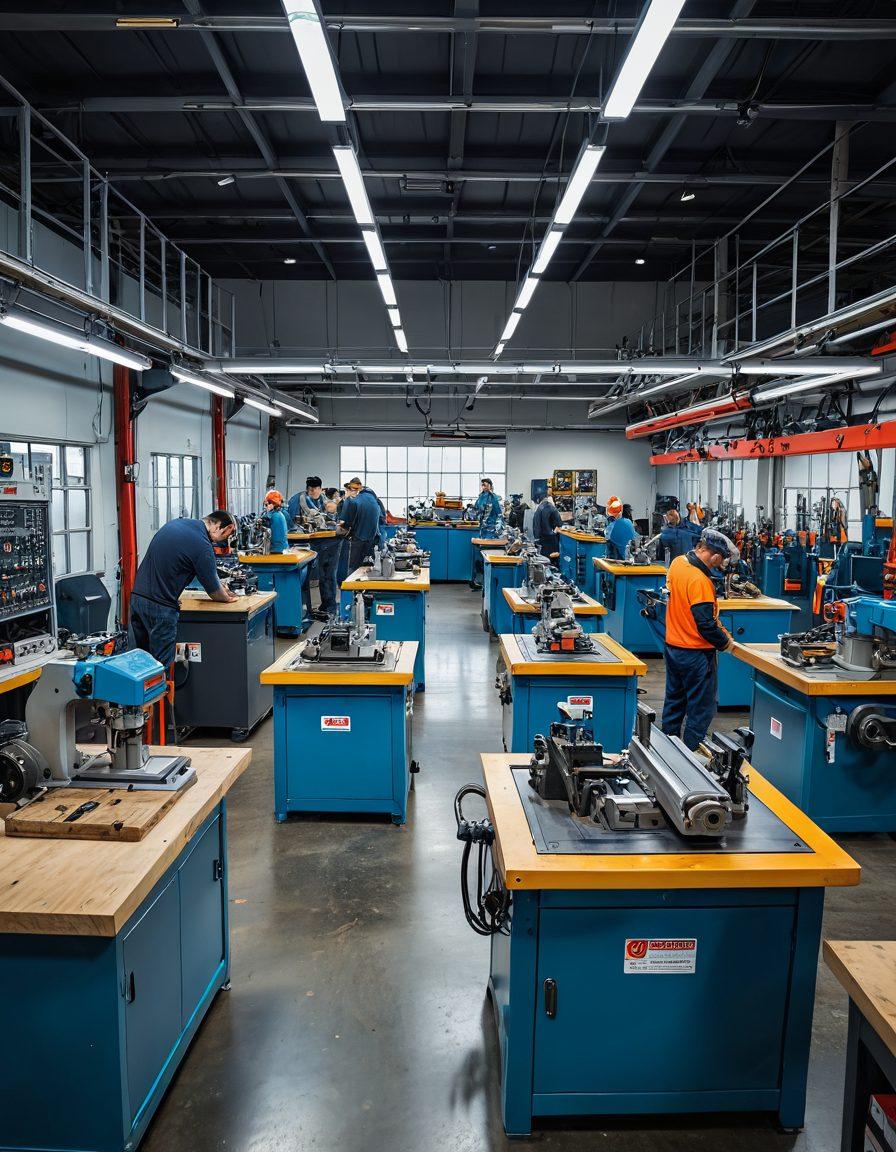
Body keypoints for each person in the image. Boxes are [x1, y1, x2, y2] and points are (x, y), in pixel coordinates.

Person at [129, 510, 237, 667]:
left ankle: (141, 692)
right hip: (161, 608)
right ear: (225, 528)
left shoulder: (175, 524)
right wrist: (228, 597)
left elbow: (179, 564)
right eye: (225, 537)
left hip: (137, 599)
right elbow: (215, 593)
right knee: (160, 668)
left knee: (139, 665)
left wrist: (218, 584)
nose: (221, 542)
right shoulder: (203, 545)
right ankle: (162, 691)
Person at [661, 529, 737, 751]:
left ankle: (669, 750)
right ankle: (691, 755)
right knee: (701, 707)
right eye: (720, 561)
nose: (718, 566)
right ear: (714, 555)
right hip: (695, 654)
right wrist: (726, 643)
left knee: (674, 702)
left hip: (673, 648)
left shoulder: (677, 563)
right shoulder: (700, 580)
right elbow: (705, 624)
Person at [338, 477, 383, 572]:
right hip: (373, 537)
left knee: (353, 568)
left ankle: (350, 586)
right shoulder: (372, 497)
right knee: (372, 567)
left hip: (358, 538)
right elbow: (382, 517)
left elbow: (344, 523)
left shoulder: (351, 500)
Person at [470, 478, 503, 589]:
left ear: (490, 485)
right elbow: (475, 510)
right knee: (479, 556)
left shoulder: (494, 498)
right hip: (482, 530)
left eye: (485, 485)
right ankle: (478, 581)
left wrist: (498, 528)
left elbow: (499, 514)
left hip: (491, 531)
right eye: (482, 485)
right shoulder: (481, 497)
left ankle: (487, 582)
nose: (483, 487)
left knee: (487, 556)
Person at [604, 495, 638, 560]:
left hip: (617, 558)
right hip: (629, 556)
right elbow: (634, 537)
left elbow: (607, 536)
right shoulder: (629, 522)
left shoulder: (613, 525)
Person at [533, 495, 562, 560]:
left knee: (544, 560)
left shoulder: (538, 510)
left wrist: (536, 540)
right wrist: (554, 532)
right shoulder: (553, 508)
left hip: (541, 540)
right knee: (552, 561)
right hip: (551, 539)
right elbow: (559, 524)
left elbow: (536, 526)